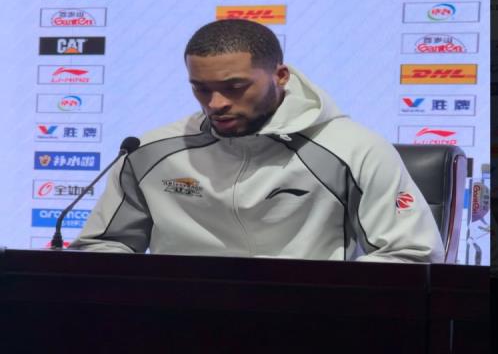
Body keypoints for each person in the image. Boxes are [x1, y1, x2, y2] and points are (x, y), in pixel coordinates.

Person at [70, 19, 444, 262]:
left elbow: (410, 255)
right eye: (201, 89)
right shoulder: (148, 151)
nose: (216, 104)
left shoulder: (354, 149)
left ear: (280, 76)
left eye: (235, 87)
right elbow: (102, 246)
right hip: (177, 326)